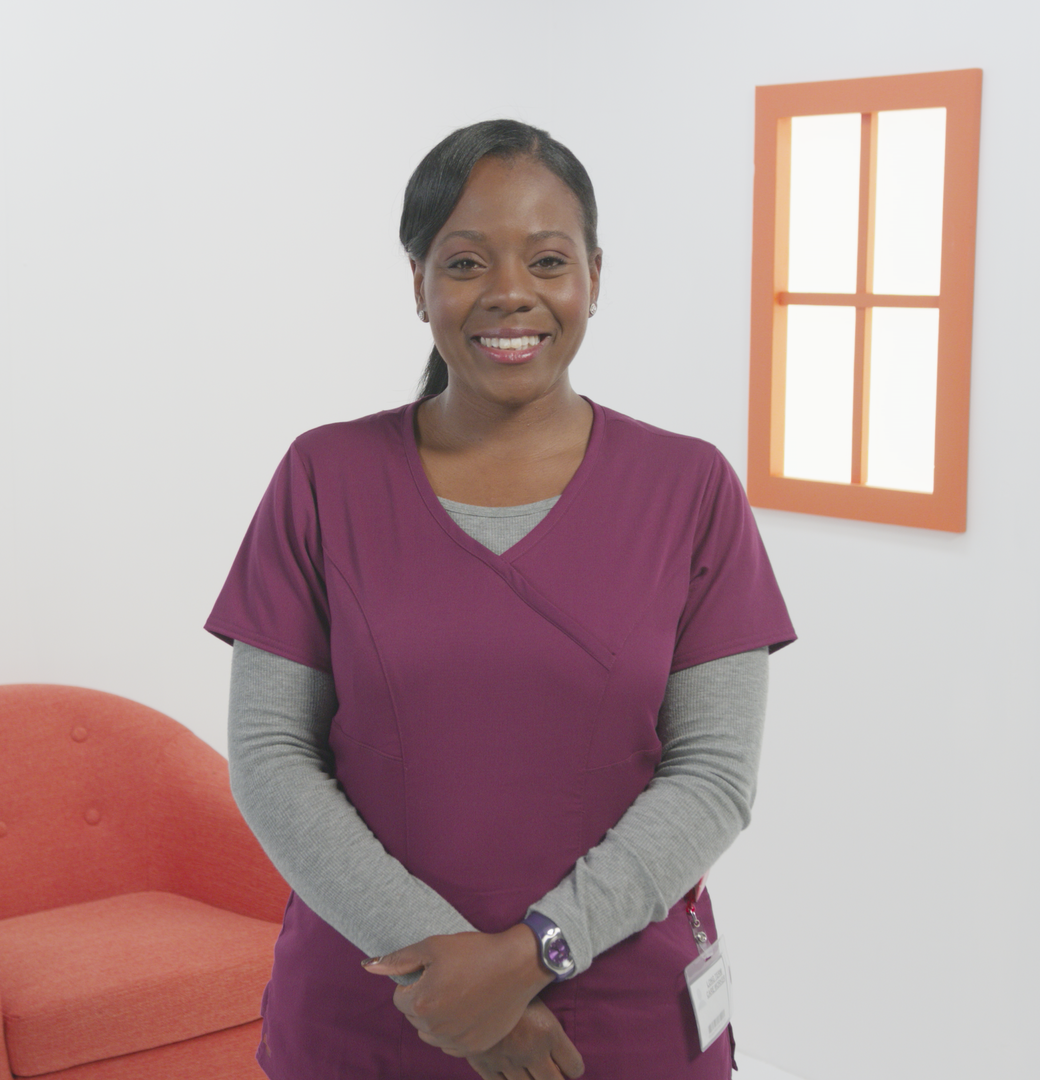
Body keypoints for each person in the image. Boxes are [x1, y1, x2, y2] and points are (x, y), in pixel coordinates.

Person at [207, 119, 794, 1080]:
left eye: (548, 260)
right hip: (370, 1018)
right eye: (467, 262)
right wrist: (452, 982)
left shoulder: (689, 491)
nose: (510, 292)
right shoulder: (323, 478)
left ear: (594, 277)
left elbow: (714, 777)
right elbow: (272, 759)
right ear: (419, 283)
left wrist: (531, 957)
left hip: (616, 1025)